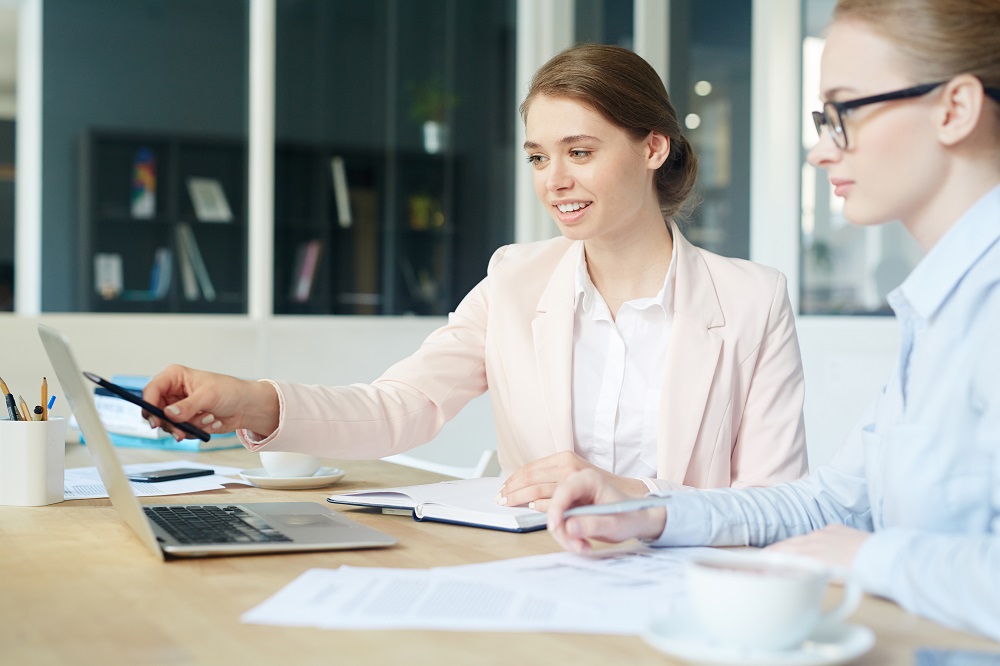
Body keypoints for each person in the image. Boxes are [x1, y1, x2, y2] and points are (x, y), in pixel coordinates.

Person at [143, 44, 808, 508]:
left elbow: (776, 504)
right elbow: (401, 407)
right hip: (543, 572)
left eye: (579, 152)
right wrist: (251, 399)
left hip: (690, 589)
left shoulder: (752, 300)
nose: (555, 181)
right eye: (539, 157)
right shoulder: (516, 281)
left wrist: (637, 496)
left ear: (652, 147)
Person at [547, 0, 1000, 642]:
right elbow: (825, 504)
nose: (819, 151)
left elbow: (852, 537)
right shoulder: (943, 305)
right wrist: (648, 514)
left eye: (844, 112)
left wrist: (866, 557)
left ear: (954, 109)